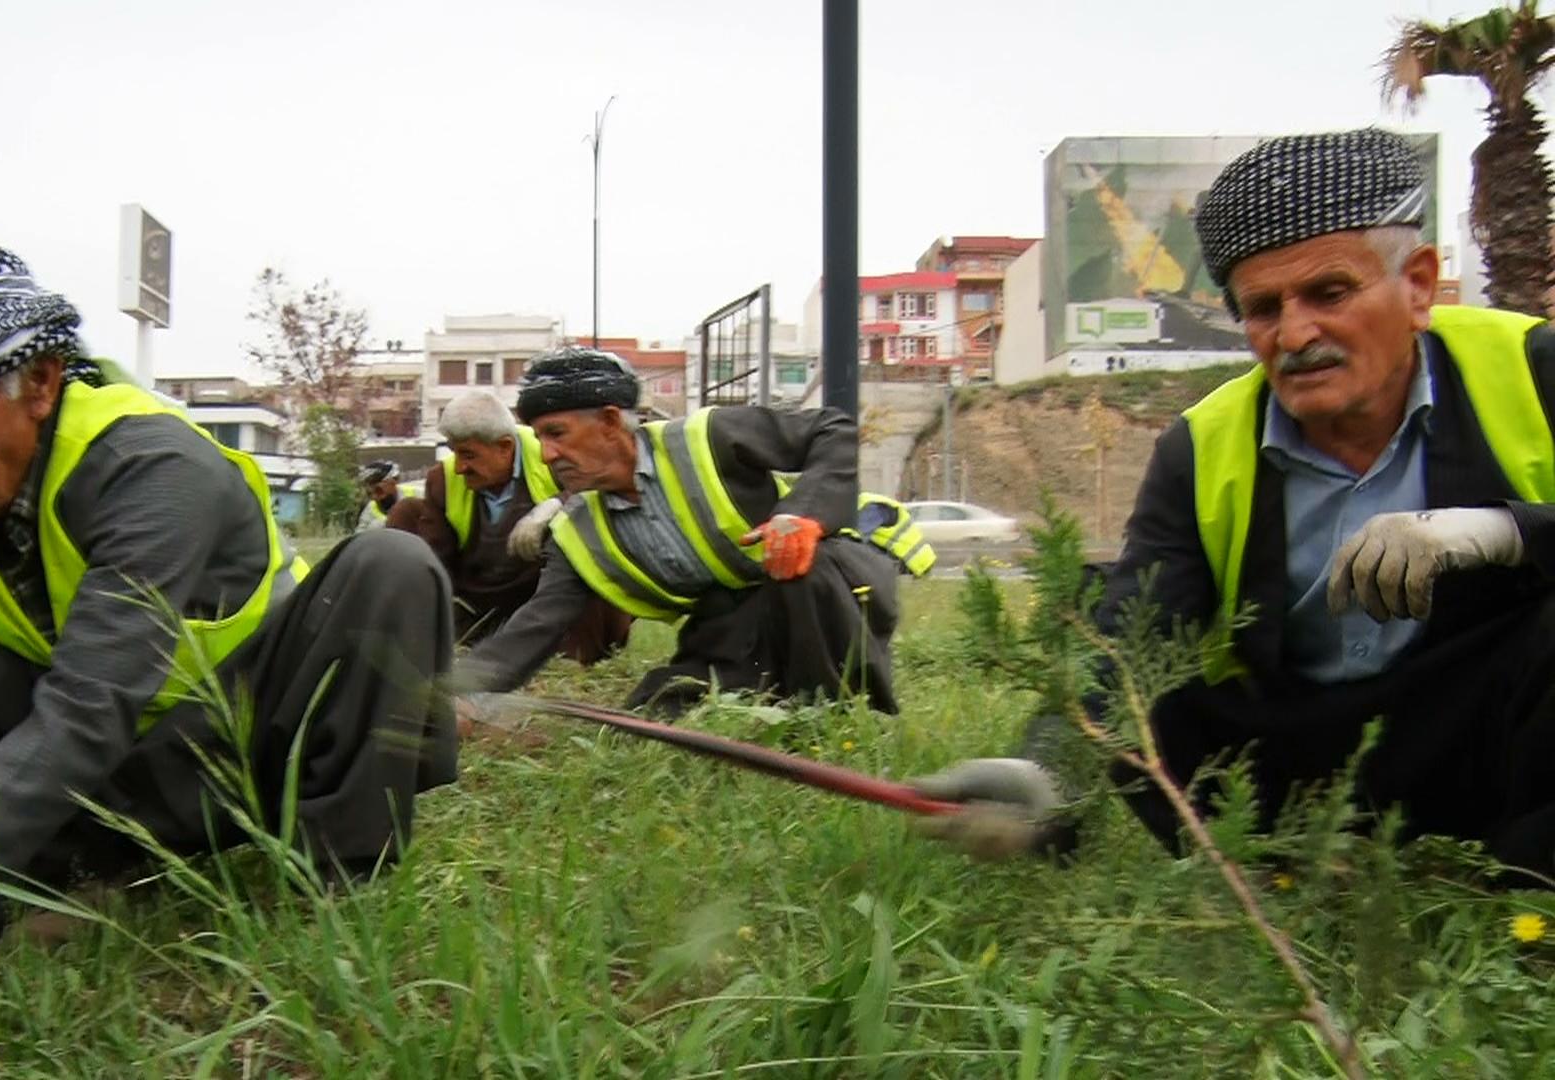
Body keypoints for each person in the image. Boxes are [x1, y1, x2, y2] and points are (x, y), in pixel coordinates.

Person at [0, 242, 457, 1013]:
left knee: (393, 565)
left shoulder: (152, 467)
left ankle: (335, 882)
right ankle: (49, 882)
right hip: (91, 789)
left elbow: (89, 707)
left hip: (240, 760)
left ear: (43, 382)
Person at [916, 129, 1555, 885]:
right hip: (1295, 772)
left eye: (1329, 294)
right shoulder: (1203, 446)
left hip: (1490, 744)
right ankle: (1286, 875)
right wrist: (1049, 769)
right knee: (1104, 617)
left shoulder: (1529, 368)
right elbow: (1131, 642)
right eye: (1262, 309)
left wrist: (1505, 531)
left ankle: (1529, 908)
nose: (1295, 335)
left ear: (1417, 284)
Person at [453, 346, 902, 716]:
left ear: (611, 422)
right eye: (539, 437)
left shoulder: (710, 437)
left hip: (829, 594)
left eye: (556, 433)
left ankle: (840, 714)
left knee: (806, 569)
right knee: (658, 714)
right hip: (734, 629)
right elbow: (538, 624)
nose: (547, 455)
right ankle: (776, 701)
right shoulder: (578, 531)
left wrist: (805, 516)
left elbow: (831, 430)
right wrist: (451, 692)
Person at [389, 390, 632, 658]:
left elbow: (604, 489)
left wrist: (556, 506)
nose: (459, 467)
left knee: (590, 526)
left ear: (505, 447)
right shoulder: (442, 480)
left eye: (468, 455)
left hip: (551, 603)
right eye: (454, 452)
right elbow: (436, 562)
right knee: (407, 515)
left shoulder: (552, 457)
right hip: (481, 606)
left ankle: (577, 654)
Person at [357, 460, 421, 531]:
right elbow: (359, 536)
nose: (374, 497)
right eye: (369, 493)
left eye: (378, 491)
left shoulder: (418, 496)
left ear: (393, 482)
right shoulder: (370, 509)